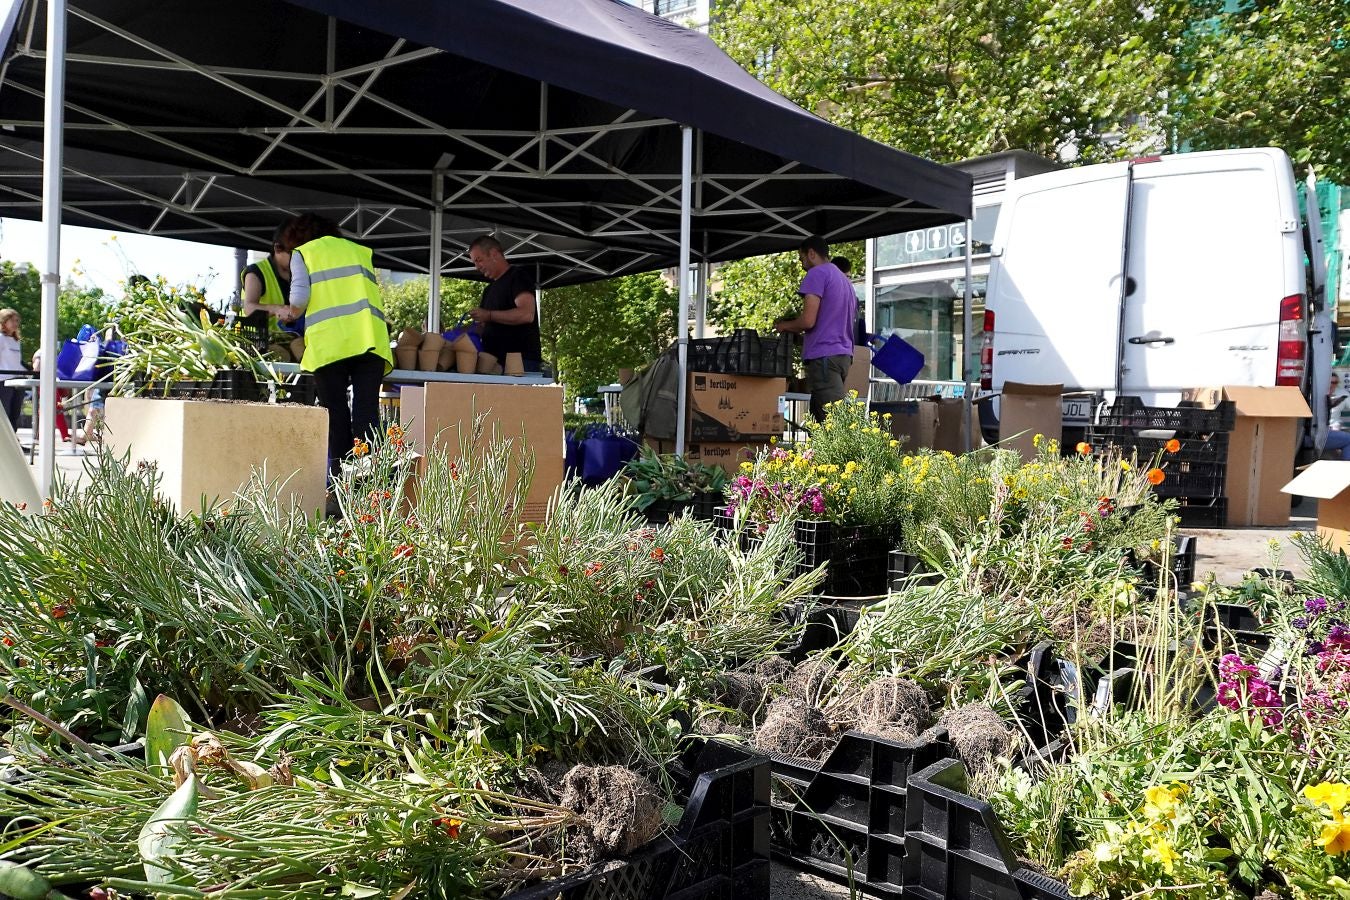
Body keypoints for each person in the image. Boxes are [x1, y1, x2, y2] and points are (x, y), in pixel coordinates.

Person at [282, 212, 393, 479]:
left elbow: (298, 299)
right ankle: (370, 486)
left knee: (336, 415)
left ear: (298, 236)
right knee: (367, 414)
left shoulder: (304, 253)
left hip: (331, 344)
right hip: (370, 340)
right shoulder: (360, 251)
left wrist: (288, 314)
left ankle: (339, 486)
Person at [775, 236, 858, 422]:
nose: (802, 264)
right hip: (842, 356)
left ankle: (851, 451)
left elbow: (808, 321)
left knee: (836, 423)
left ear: (811, 253)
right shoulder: (844, 281)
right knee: (818, 421)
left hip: (824, 359)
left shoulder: (817, 273)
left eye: (802, 258)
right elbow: (829, 326)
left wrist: (784, 326)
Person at [466, 235, 542, 372]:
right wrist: (456, 334)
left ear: (494, 254)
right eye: (474, 263)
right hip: (494, 363)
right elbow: (483, 327)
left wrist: (488, 315)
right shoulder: (488, 290)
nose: (477, 267)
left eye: (479, 260)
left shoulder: (518, 276)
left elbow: (526, 314)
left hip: (521, 362)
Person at [240, 222, 297, 334]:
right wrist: (277, 309)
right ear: (277, 248)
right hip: (258, 339)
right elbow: (249, 307)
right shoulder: (256, 272)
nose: (298, 259)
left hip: (290, 338)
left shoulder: (299, 273)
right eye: (292, 254)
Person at [0, 308, 24, 432]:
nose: (15, 323)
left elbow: (17, 363)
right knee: (5, 413)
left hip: (18, 381)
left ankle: (14, 443)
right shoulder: (1, 339)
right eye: (12, 320)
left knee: (15, 413)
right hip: (4, 382)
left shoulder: (16, 341)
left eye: (17, 321)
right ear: (4, 322)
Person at [1325, 373, 1350, 459]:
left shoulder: (1342, 393)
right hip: (1317, 431)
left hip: (1333, 426)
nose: (1332, 385)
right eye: (1330, 382)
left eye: (1335, 383)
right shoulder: (1314, 394)